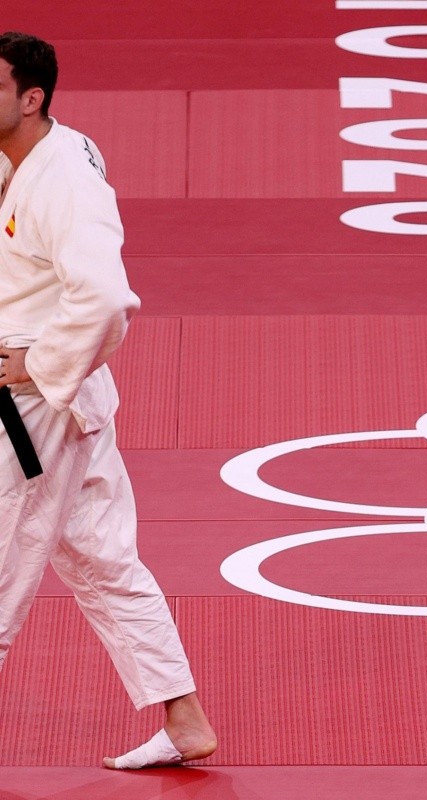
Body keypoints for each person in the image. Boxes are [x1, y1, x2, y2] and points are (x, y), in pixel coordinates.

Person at [0, 31, 217, 769]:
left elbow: (105, 300)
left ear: (32, 99)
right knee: (102, 560)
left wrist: (38, 364)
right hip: (70, 398)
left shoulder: (64, 182)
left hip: (36, 407)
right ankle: (184, 719)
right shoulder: (25, 151)